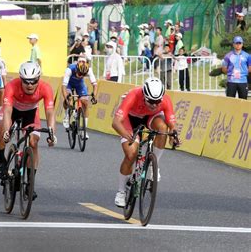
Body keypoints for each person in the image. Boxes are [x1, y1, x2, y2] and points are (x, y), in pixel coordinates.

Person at [0, 61, 57, 199]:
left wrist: (52, 133)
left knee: (33, 143)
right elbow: (8, 111)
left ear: (38, 79)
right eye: (26, 81)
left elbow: (50, 111)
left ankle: (29, 184)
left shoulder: (45, 88)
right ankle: (2, 160)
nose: (30, 85)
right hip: (12, 110)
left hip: (31, 113)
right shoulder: (11, 86)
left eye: (33, 81)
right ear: (21, 79)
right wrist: (6, 131)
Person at [112, 77, 179, 207]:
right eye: (151, 101)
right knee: (131, 154)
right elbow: (115, 122)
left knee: (163, 128)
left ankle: (154, 165)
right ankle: (121, 192)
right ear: (144, 95)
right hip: (130, 119)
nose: (154, 105)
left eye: (157, 101)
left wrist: (173, 135)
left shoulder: (165, 99)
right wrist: (127, 135)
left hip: (149, 117)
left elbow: (172, 122)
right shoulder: (133, 95)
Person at [61, 57, 98, 139]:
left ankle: (84, 130)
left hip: (79, 85)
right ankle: (67, 114)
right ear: (77, 68)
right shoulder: (70, 69)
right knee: (69, 97)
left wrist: (94, 96)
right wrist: (66, 99)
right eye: (79, 73)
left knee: (85, 102)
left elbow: (95, 85)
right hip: (69, 84)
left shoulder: (89, 70)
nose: (80, 75)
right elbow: (63, 87)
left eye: (83, 75)